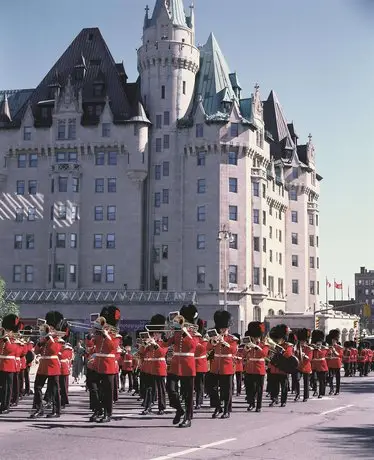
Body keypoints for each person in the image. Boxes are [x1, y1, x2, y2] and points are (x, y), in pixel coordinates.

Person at [166, 304, 199, 428]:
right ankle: (179, 409)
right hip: (175, 364)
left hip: (187, 365)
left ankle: (188, 418)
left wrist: (186, 333)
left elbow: (193, 346)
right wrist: (168, 335)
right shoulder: (176, 332)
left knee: (187, 393)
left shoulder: (194, 332)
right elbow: (165, 344)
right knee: (170, 388)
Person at [31, 310, 64, 418]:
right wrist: (40, 342)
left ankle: (56, 410)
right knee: (37, 387)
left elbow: (54, 350)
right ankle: (39, 408)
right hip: (43, 366)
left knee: (54, 389)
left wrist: (50, 338)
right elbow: (36, 351)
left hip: (53, 366)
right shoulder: (44, 339)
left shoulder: (58, 339)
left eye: (51, 327)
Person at [207, 310, 238, 419]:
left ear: (228, 328)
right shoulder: (214, 336)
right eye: (221, 328)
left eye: (224, 328)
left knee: (226, 390)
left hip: (227, 367)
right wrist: (212, 341)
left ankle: (226, 410)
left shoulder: (232, 339)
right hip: (216, 366)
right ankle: (217, 407)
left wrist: (225, 343)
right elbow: (207, 348)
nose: (222, 330)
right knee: (211, 388)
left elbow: (234, 350)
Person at [243, 321, 268, 412]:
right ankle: (251, 403)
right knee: (250, 388)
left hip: (259, 369)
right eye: (254, 337)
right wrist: (246, 349)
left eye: (256, 337)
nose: (255, 338)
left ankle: (259, 406)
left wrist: (256, 347)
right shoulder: (249, 344)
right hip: (250, 369)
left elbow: (263, 354)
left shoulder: (264, 345)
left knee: (259, 389)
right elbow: (244, 354)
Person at [268, 324, 293, 407]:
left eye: (279, 338)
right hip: (274, 368)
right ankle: (274, 399)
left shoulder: (288, 345)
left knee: (284, 386)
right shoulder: (273, 345)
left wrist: (280, 350)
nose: (277, 340)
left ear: (283, 338)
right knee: (274, 385)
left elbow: (288, 354)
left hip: (283, 369)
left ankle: (283, 400)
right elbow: (269, 355)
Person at [0, 314, 20, 414]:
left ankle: (6, 406)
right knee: (2, 387)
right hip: (1, 365)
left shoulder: (14, 341)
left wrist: (7, 340)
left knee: (7, 387)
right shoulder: (2, 339)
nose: (6, 331)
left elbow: (11, 350)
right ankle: (1, 404)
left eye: (8, 330)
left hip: (9, 366)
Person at [295, 328, 313, 402]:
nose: (302, 342)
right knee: (297, 379)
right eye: (301, 341)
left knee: (306, 382)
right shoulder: (297, 348)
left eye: (303, 341)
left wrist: (304, 355)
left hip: (306, 367)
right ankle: (297, 394)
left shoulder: (309, 348)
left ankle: (306, 396)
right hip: (298, 366)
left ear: (306, 341)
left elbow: (309, 358)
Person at [310, 329, 328, 399]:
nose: (318, 344)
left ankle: (321, 393)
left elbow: (324, 354)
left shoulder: (324, 349)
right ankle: (315, 390)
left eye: (319, 343)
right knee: (314, 379)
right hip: (314, 366)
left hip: (322, 367)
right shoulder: (313, 349)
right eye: (317, 343)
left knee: (321, 380)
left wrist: (319, 348)